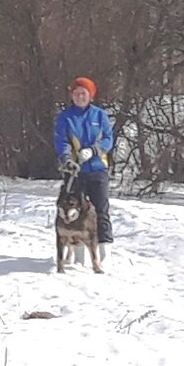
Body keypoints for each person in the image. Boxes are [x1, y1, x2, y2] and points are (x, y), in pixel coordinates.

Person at [53, 76, 114, 261]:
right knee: (74, 210)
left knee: (101, 209)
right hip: (75, 171)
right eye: (77, 93)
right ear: (72, 96)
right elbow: (61, 140)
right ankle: (77, 251)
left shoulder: (100, 115)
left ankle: (104, 250)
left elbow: (108, 139)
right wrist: (67, 159)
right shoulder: (65, 117)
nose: (80, 97)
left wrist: (95, 151)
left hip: (97, 168)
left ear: (91, 96)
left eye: (84, 93)